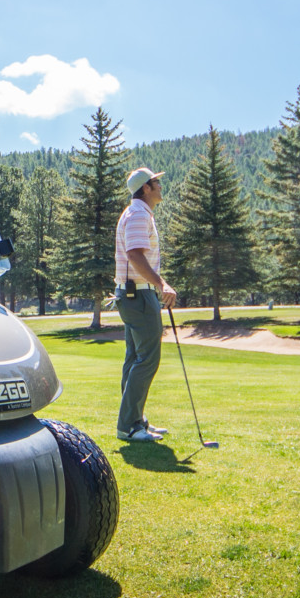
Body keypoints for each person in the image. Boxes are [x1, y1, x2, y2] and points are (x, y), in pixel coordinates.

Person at [114, 167, 178, 442]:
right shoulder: (139, 215)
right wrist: (162, 285)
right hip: (139, 295)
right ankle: (129, 425)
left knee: (134, 358)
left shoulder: (136, 212)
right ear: (146, 188)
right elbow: (135, 255)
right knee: (147, 359)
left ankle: (134, 420)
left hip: (133, 295)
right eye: (156, 182)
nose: (160, 185)